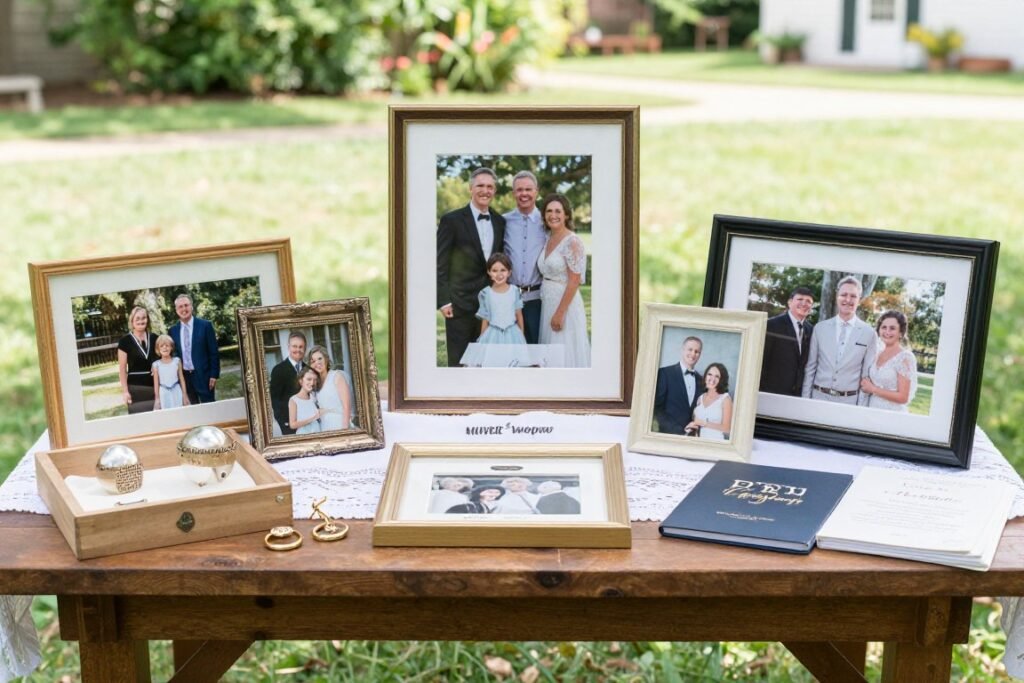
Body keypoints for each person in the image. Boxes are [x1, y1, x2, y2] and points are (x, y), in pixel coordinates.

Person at [437, 167, 507, 367]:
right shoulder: (452, 220)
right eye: (480, 186)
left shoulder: (500, 221)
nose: (485, 190)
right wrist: (444, 301)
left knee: (487, 360)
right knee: (459, 361)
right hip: (459, 304)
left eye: (490, 187)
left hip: (491, 304)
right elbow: (440, 263)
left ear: (494, 191)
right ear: (470, 189)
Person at [802, 276, 879, 405]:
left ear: (859, 300)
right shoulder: (820, 328)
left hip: (848, 402)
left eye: (853, 296)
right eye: (844, 295)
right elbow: (810, 368)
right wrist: (805, 401)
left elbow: (866, 376)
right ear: (837, 297)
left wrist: (860, 409)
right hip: (818, 398)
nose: (848, 300)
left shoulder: (869, 333)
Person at [537, 193, 591, 368]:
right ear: (544, 215)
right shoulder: (548, 239)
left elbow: (574, 281)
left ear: (566, 214)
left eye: (558, 211)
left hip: (565, 305)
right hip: (548, 302)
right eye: (549, 211)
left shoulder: (572, 242)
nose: (553, 215)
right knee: (550, 352)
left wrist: (560, 313)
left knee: (564, 351)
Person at [458, 253, 528, 367]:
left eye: (503, 270)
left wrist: (522, 335)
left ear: (509, 272)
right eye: (494, 270)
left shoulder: (515, 291)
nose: (499, 274)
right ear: (489, 272)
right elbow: (485, 318)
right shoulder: (486, 293)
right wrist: (482, 340)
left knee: (512, 364)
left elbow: (519, 315)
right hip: (492, 334)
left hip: (512, 334)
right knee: (493, 364)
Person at [502, 170, 545, 344]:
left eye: (528, 189)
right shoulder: (503, 221)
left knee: (536, 349)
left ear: (537, 192)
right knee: (510, 350)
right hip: (509, 298)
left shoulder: (548, 221)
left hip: (538, 298)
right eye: (519, 190)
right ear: (513, 193)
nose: (524, 194)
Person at [760, 286, 815, 396]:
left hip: (798, 394)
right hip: (771, 391)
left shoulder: (812, 330)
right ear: (790, 302)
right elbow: (762, 360)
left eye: (808, 301)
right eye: (800, 299)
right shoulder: (771, 325)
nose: (804, 303)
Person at [860, 310, 918, 412]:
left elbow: (903, 397)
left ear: (901, 332)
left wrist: (873, 389)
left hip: (892, 413)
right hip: (871, 409)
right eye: (884, 327)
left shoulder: (905, 357)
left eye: (892, 328)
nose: (887, 332)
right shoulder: (877, 353)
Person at [168, 294, 220, 405]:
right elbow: (172, 354)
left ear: (192, 306)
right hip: (184, 378)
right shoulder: (173, 331)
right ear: (176, 310)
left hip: (204, 376)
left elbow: (213, 352)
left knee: (210, 408)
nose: (184, 309)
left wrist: (214, 375)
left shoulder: (205, 326)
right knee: (192, 412)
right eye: (180, 307)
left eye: (186, 305)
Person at [653, 336, 704, 435]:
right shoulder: (665, 373)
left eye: (697, 351)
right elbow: (657, 409)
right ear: (683, 350)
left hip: (693, 437)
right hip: (669, 435)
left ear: (700, 355)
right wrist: (679, 431)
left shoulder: (702, 380)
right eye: (690, 349)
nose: (693, 354)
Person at [117, 306, 159, 414]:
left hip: (153, 385)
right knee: (139, 420)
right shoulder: (124, 341)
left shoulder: (155, 338)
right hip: (135, 387)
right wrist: (125, 391)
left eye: (144, 318)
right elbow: (122, 370)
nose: (141, 321)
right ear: (132, 321)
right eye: (138, 318)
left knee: (156, 418)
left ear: (147, 319)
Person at [308, 345, 354, 431]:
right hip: (324, 426)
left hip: (339, 424)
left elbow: (346, 406)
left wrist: (344, 431)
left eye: (320, 358)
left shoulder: (337, 376)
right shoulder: (316, 383)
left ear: (326, 359)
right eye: (313, 361)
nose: (317, 363)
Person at [270, 331, 308, 435]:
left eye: (301, 347)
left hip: (308, 422)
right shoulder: (278, 370)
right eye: (294, 346)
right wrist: (284, 423)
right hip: (289, 425)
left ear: (305, 348)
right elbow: (275, 400)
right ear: (289, 347)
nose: (298, 350)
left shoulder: (308, 369)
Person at [687, 363, 733, 440]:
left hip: (716, 443)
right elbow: (696, 423)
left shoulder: (725, 399)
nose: (712, 379)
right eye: (710, 374)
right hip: (698, 442)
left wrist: (704, 423)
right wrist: (690, 427)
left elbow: (727, 428)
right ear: (705, 376)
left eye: (717, 376)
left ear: (722, 380)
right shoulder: (700, 398)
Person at [151, 335, 189, 411]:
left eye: (167, 345)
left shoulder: (177, 361)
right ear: (158, 349)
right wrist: (157, 399)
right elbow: (156, 383)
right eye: (162, 346)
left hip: (176, 390)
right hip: (164, 392)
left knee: (180, 411)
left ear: (171, 347)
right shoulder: (156, 365)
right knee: (167, 414)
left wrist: (185, 395)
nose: (165, 347)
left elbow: (182, 379)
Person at [288, 367, 323, 435]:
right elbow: (292, 425)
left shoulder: (313, 397)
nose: (312, 383)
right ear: (301, 381)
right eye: (309, 379)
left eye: (315, 380)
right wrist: (313, 418)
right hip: (304, 435)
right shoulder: (293, 400)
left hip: (318, 432)